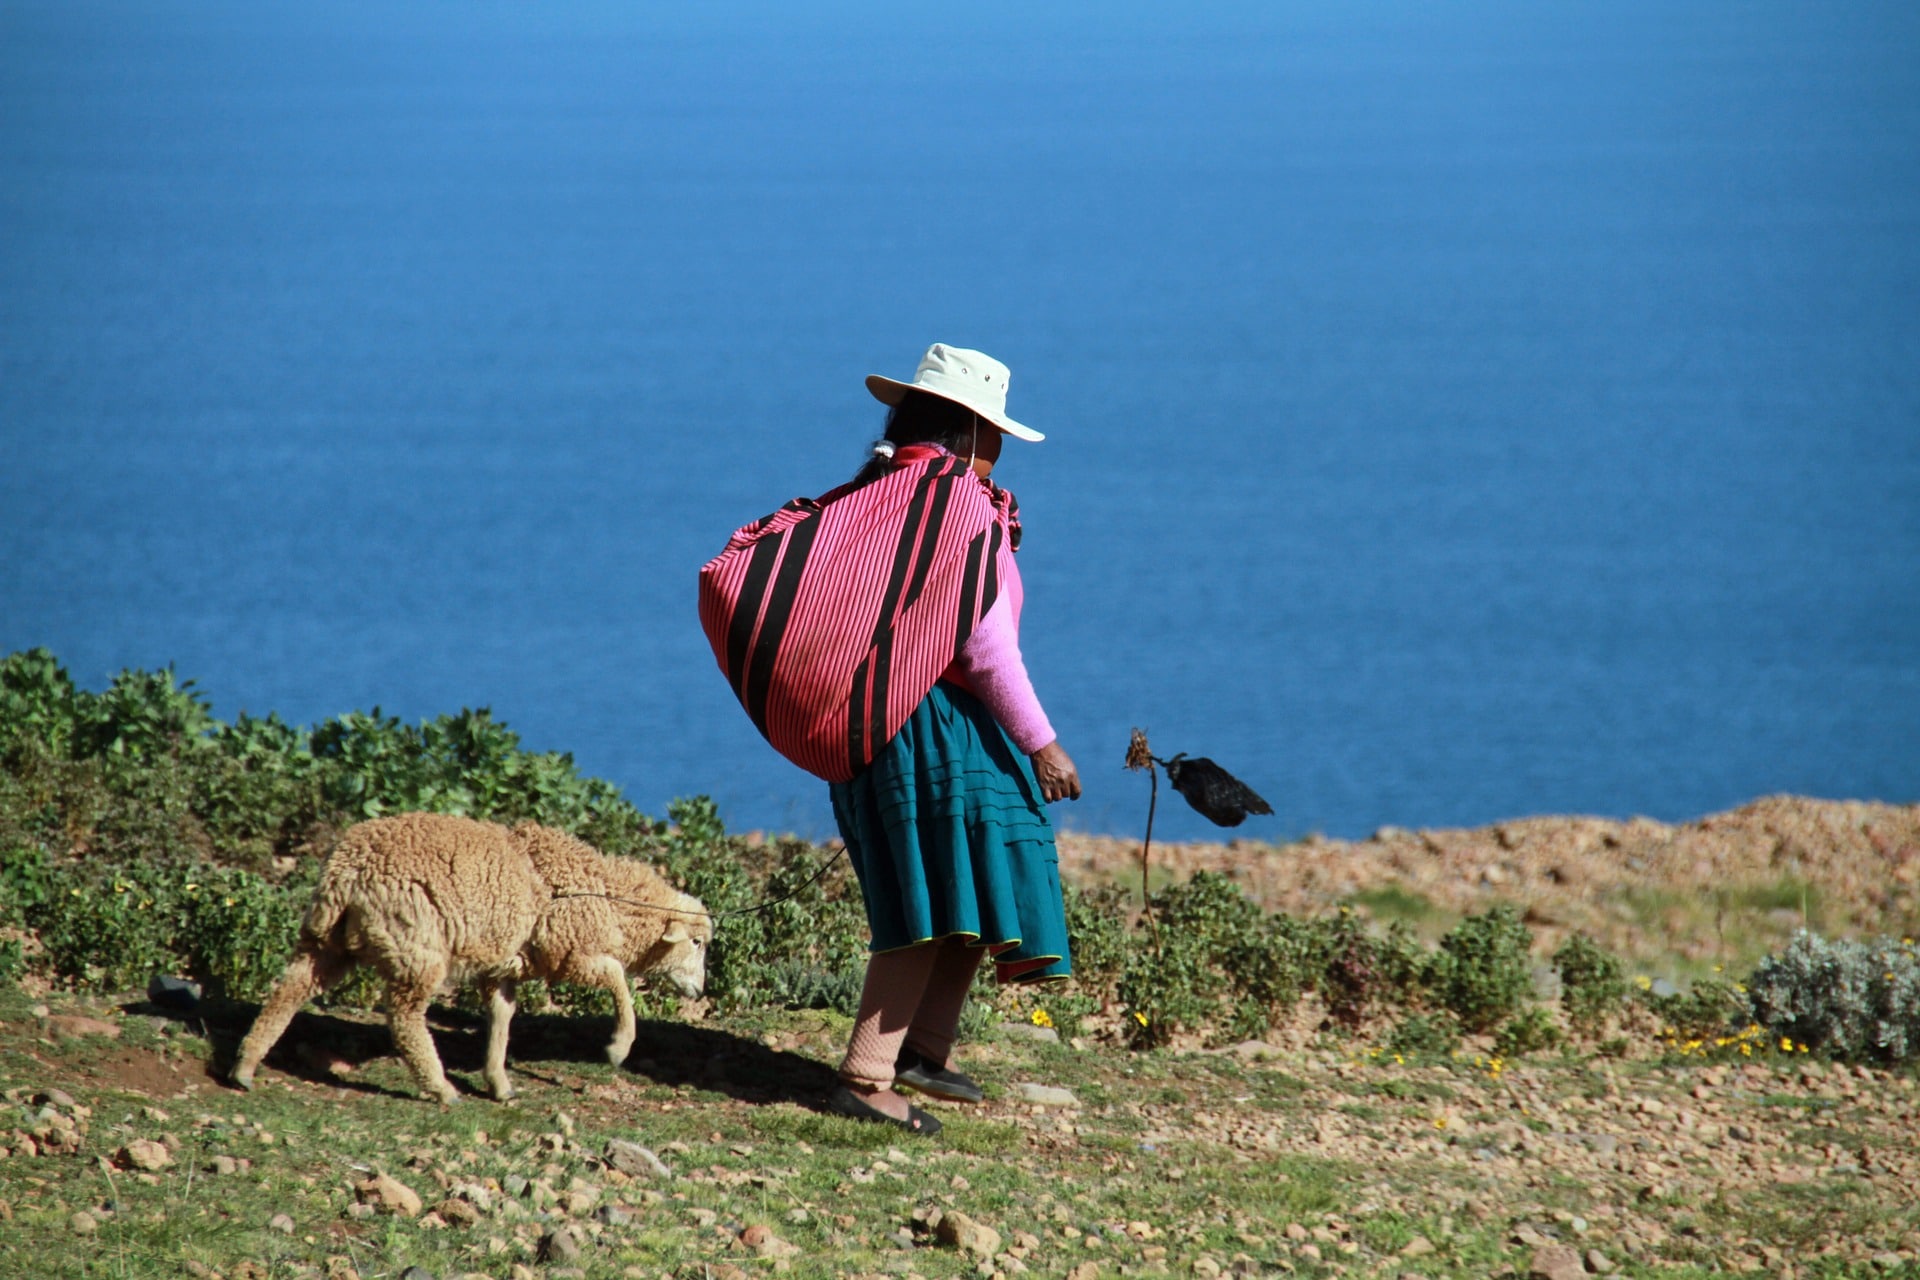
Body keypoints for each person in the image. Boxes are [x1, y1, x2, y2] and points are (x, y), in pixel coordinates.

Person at [697, 342, 1080, 1137]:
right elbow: (983, 645)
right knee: (931, 902)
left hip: (882, 726)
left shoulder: (876, 495)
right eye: (996, 430)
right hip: (930, 733)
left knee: (966, 884)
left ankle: (924, 1052)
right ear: (975, 431)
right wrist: (1041, 741)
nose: (1000, 448)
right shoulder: (958, 508)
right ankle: (868, 1075)